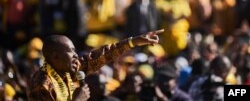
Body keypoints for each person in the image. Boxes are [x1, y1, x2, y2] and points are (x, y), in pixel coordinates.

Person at [27, 29, 164, 101]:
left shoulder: (67, 70)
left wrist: (133, 42)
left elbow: (99, 57)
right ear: (56, 57)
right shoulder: (41, 84)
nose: (76, 56)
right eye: (71, 52)